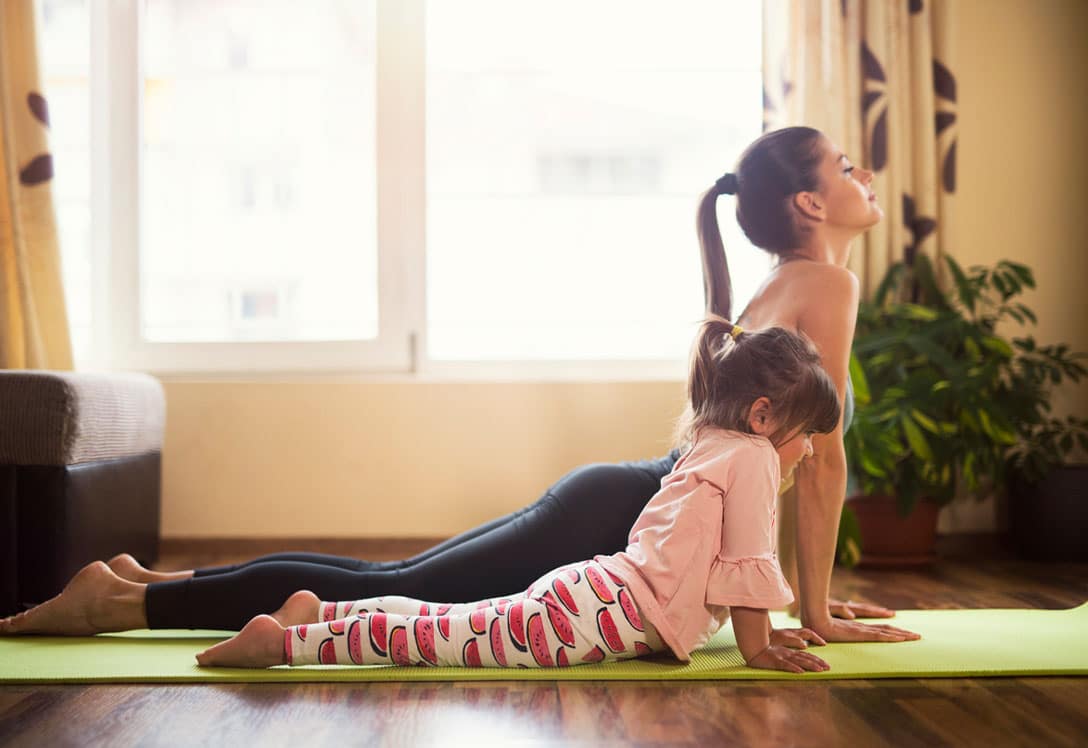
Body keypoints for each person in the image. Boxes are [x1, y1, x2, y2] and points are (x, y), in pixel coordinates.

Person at [0, 126, 918, 646]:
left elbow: (781, 474)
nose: (862, 175)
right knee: (401, 586)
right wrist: (816, 615)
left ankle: (141, 583)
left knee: (390, 577)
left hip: (622, 495)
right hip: (622, 511)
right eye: (844, 167)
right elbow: (821, 466)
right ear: (808, 203)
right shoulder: (826, 284)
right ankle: (123, 603)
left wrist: (810, 599)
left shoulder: (780, 284)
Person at [194, 319, 844, 671]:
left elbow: (721, 568)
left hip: (595, 593)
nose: (809, 450)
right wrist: (760, 649)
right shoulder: (754, 457)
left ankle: (323, 611)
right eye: (806, 435)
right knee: (442, 641)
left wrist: (764, 635)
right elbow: (745, 563)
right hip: (600, 617)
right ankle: (284, 646)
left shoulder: (710, 439)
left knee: (453, 620)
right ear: (763, 417)